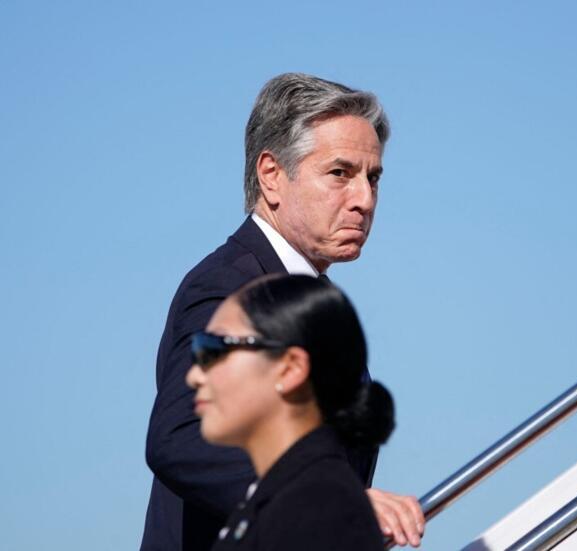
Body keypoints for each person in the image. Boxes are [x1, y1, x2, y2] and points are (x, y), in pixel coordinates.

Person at [142, 73, 424, 550]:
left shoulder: (307, 300)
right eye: (340, 173)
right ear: (271, 174)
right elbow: (181, 434)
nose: (364, 199)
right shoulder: (227, 287)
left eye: (372, 178)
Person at [187, 274, 390, 550]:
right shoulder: (283, 500)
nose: (194, 376)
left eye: (214, 350)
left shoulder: (317, 511)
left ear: (290, 368)